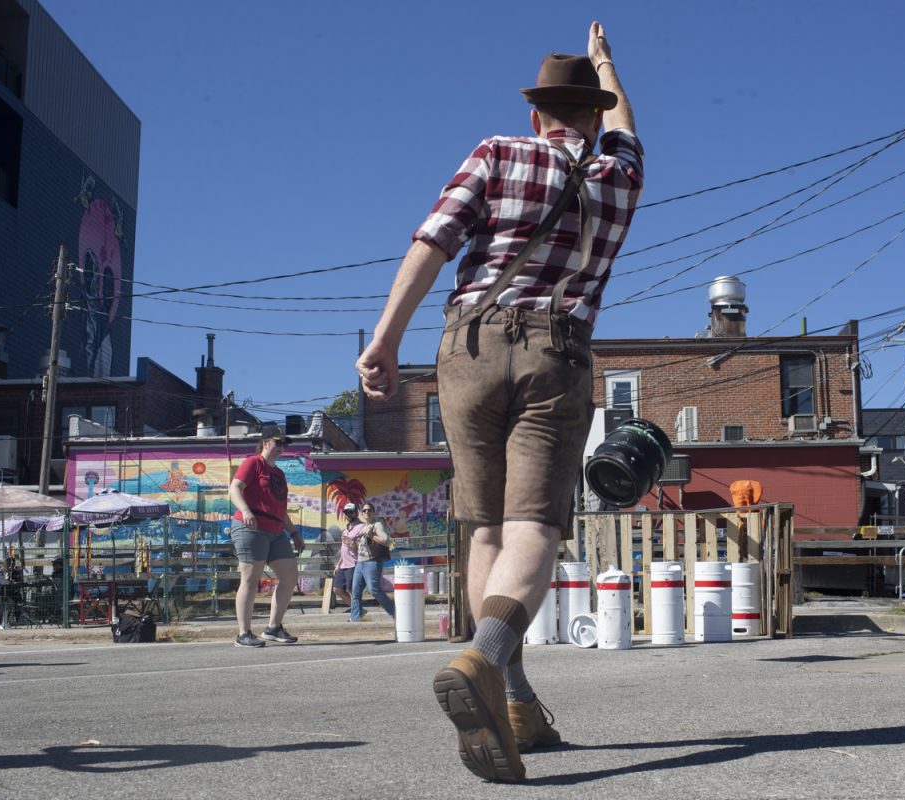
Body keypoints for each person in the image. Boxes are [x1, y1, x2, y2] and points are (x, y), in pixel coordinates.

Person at [356, 21, 641, 783]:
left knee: (483, 528)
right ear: (594, 113)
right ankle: (485, 660)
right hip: (558, 350)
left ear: (536, 114)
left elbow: (432, 242)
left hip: (469, 348)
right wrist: (610, 64)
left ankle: (512, 700)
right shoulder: (619, 179)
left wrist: (385, 342)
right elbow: (627, 133)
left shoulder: (498, 152)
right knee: (535, 528)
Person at [227, 426, 305, 647]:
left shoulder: (279, 474)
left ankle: (273, 628)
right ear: (265, 443)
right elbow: (234, 488)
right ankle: (243, 634)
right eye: (277, 442)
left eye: (284, 444)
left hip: (276, 529)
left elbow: (280, 508)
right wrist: (246, 510)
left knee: (290, 576)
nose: (281, 447)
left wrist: (294, 533)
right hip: (250, 526)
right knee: (251, 580)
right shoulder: (253, 463)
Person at [350, 504, 397, 622]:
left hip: (372, 562)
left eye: (369, 510)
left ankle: (394, 612)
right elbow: (359, 548)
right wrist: (351, 545)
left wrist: (372, 536)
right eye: (364, 510)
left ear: (373, 512)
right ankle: (356, 617)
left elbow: (386, 540)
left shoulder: (377, 525)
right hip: (360, 563)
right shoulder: (362, 528)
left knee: (374, 590)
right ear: (361, 513)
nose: (367, 512)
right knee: (355, 590)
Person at [335, 502, 361, 615]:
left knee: (352, 590)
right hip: (343, 564)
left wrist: (353, 545)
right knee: (337, 589)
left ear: (356, 512)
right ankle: (357, 609)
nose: (349, 514)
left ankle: (357, 611)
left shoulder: (362, 527)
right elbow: (343, 548)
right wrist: (338, 563)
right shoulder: (346, 529)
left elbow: (363, 547)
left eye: (351, 512)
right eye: (346, 512)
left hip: (353, 563)